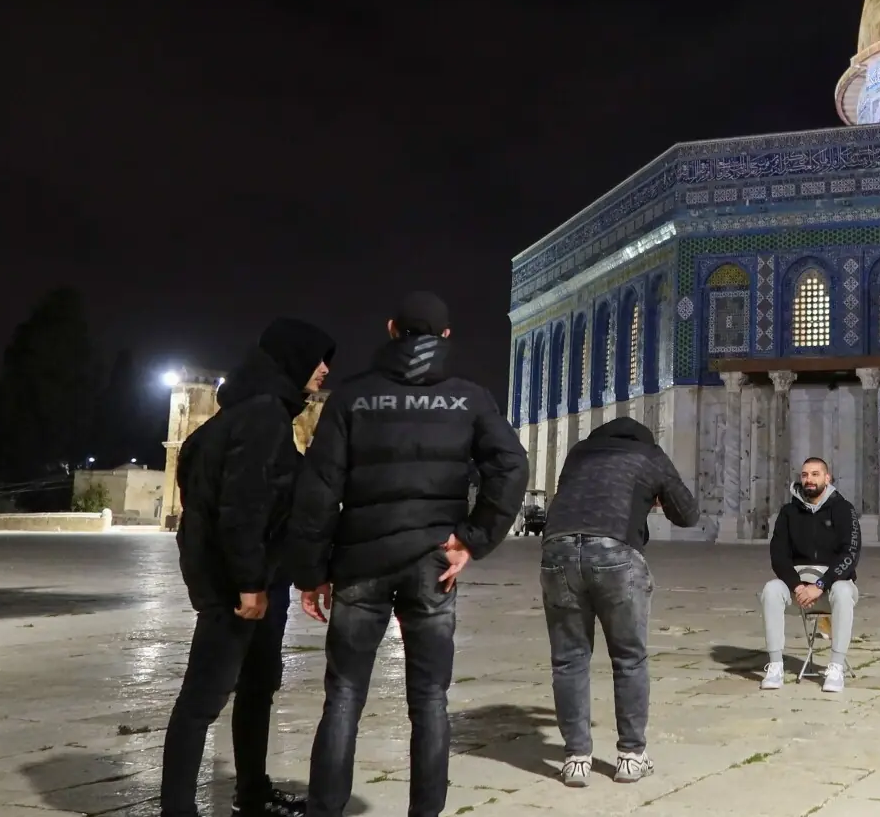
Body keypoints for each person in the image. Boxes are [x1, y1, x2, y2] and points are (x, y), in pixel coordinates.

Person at [288, 292, 527, 817]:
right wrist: (472, 538)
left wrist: (310, 571)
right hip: (431, 563)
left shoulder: (353, 398)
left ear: (392, 328)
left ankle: (325, 809)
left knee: (344, 695)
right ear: (446, 336)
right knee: (430, 698)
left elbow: (319, 488)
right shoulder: (469, 398)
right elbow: (511, 465)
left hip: (360, 562)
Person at [161, 318, 336, 817]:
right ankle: (177, 808)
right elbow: (243, 509)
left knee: (257, 689)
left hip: (258, 580)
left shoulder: (255, 413)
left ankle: (253, 794)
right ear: (290, 359)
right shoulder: (262, 417)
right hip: (238, 589)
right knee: (203, 698)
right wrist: (248, 584)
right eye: (318, 359)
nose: (324, 370)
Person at [542, 416, 698, 788]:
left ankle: (576, 759)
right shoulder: (649, 455)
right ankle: (630, 756)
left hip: (557, 550)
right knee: (629, 658)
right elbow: (688, 514)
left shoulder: (579, 453)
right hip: (613, 551)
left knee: (569, 659)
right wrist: (655, 495)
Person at [760, 457, 860, 695]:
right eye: (805, 475)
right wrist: (797, 586)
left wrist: (820, 585)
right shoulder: (788, 512)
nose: (809, 479)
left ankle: (836, 667)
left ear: (827, 478)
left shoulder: (843, 510)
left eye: (815, 474)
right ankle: (775, 665)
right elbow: (778, 555)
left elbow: (850, 553)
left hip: (829, 588)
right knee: (771, 590)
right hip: (799, 592)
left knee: (844, 591)